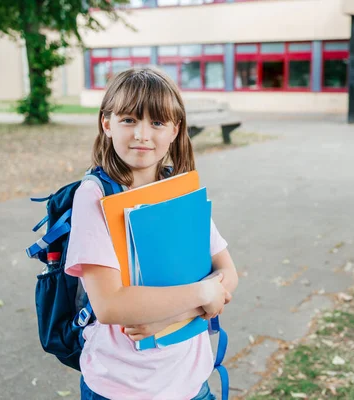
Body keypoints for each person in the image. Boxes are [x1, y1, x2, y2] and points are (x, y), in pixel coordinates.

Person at [64, 67, 238, 400]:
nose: (142, 134)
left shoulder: (180, 188)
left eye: (157, 123)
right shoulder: (95, 195)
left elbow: (227, 273)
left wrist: (176, 313)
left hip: (191, 380)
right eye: (129, 119)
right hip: (122, 386)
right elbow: (110, 305)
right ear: (106, 123)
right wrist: (204, 295)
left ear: (175, 130)